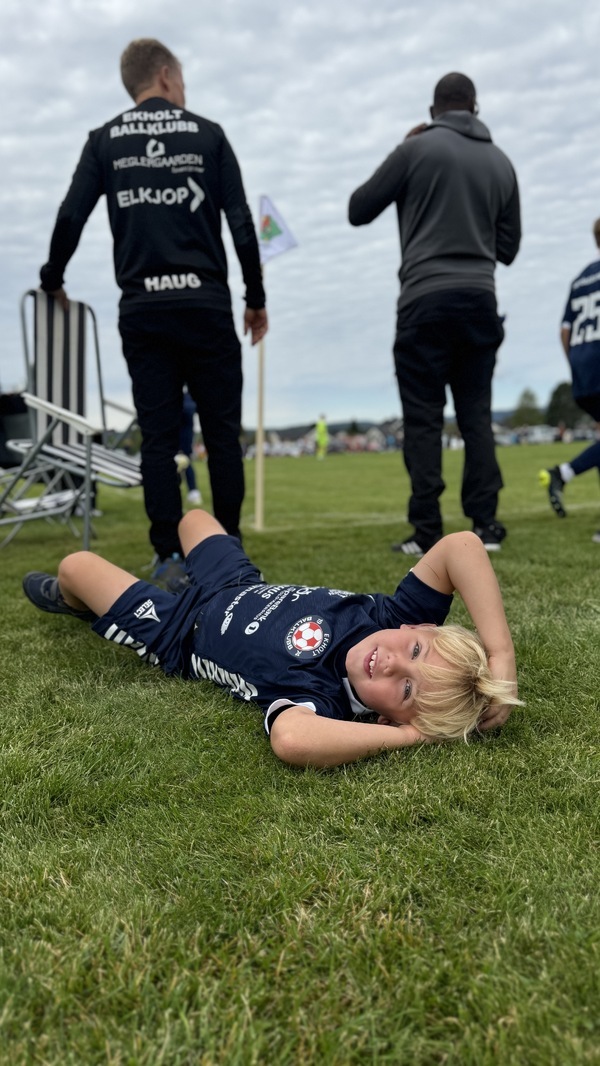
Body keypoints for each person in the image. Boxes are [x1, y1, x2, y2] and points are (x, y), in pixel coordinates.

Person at [22, 512, 519, 768]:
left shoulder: (324, 699)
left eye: (406, 690)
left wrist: (412, 737)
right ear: (420, 629)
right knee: (193, 518)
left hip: (180, 632)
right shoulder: (394, 616)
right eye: (414, 653)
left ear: (388, 718)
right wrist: (500, 656)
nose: (391, 664)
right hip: (238, 584)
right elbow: (462, 546)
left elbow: (291, 739)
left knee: (76, 567)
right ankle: (186, 576)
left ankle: (72, 600)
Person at [39, 38, 267, 589]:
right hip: (207, 306)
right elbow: (239, 220)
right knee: (221, 436)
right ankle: (226, 550)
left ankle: (168, 555)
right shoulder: (207, 134)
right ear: (165, 76)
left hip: (144, 310)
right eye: (182, 80)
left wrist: (52, 279)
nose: (184, 91)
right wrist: (255, 297)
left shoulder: (103, 141)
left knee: (160, 443)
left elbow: (71, 213)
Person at [348, 72, 521, 557]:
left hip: (424, 298)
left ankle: (427, 531)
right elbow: (508, 249)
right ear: (476, 108)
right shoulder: (502, 162)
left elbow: (358, 208)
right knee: (476, 417)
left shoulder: (416, 150)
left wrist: (403, 153)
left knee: (423, 420)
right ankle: (485, 525)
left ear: (433, 111)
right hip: (479, 298)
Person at [539, 219, 600, 541]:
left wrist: (577, 364)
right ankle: (563, 473)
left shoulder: (580, 280)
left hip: (583, 367)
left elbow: (564, 330)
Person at [176, 389, 202, 506]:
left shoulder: (187, 397)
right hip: (174, 435)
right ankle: (191, 492)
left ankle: (193, 492)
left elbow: (189, 409)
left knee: (185, 461)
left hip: (182, 436)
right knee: (181, 462)